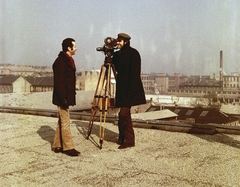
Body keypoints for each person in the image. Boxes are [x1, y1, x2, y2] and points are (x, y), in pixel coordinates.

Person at [112, 33, 146, 149]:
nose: (117, 43)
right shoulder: (118, 54)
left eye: (119, 41)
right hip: (122, 89)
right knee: (125, 115)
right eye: (117, 41)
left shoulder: (133, 53)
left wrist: (131, 90)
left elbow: (135, 73)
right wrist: (110, 54)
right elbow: (113, 65)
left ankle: (128, 139)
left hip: (130, 89)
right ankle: (125, 138)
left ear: (126, 42)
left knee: (123, 114)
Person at [52, 38, 80, 156]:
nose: (76, 48)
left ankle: (57, 145)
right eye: (74, 46)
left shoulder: (68, 60)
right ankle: (68, 147)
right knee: (66, 121)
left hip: (65, 96)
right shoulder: (60, 62)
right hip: (62, 96)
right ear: (69, 48)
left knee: (62, 120)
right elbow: (59, 82)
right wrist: (63, 97)